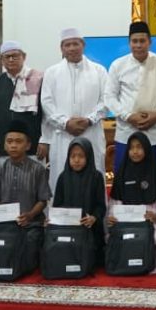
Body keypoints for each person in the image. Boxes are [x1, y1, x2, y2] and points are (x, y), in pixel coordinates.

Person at [41, 28, 109, 191]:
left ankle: (94, 208)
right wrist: (65, 123)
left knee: (93, 177)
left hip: (91, 132)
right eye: (67, 45)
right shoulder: (52, 72)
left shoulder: (99, 70)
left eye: (75, 44)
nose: (72, 48)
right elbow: (46, 102)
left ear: (83, 45)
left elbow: (107, 100)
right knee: (61, 178)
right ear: (61, 48)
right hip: (62, 134)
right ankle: (61, 208)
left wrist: (89, 120)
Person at [104, 21, 156, 175]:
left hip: (155, 134)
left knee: (155, 180)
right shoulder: (118, 65)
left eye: (142, 41)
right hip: (126, 133)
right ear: (129, 43)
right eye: (134, 41)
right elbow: (109, 97)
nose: (138, 45)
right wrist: (128, 116)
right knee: (125, 179)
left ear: (150, 42)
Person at [0, 119, 50, 273]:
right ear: (4, 145)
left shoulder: (38, 169)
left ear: (28, 145)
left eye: (18, 141)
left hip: (31, 225)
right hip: (5, 225)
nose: (13, 145)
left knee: (29, 252)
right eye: (9, 141)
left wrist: (30, 215)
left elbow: (43, 200)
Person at [107, 132, 156, 273]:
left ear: (146, 149)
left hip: (150, 218)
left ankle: (151, 266)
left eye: (139, 147)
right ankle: (123, 264)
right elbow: (115, 201)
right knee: (111, 232)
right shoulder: (122, 172)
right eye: (131, 148)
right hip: (125, 219)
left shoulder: (155, 171)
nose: (135, 151)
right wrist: (114, 216)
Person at [0, 40, 44, 168]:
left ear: (24, 56)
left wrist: (45, 141)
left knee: (34, 179)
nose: (11, 59)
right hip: (2, 147)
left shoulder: (38, 79)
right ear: (1, 60)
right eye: (7, 56)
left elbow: (46, 114)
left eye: (15, 56)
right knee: (4, 180)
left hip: (33, 147)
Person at [52, 137, 107, 261]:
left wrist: (93, 218)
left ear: (88, 156)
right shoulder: (63, 177)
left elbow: (101, 206)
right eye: (73, 156)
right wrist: (54, 218)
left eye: (81, 156)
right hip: (68, 228)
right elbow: (57, 205)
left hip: (90, 228)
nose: (76, 160)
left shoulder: (96, 177)